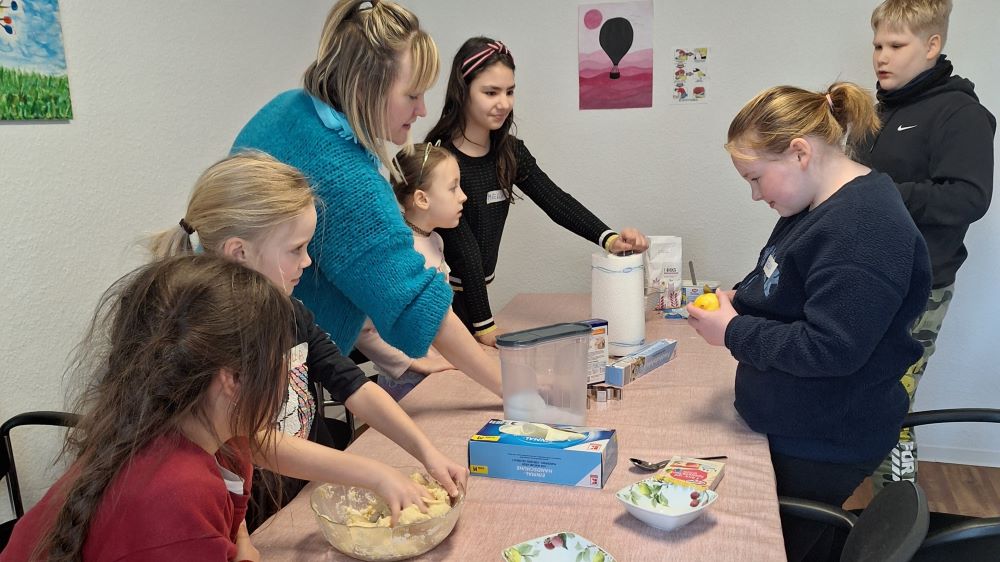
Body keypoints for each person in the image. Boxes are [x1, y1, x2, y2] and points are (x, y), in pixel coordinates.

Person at [1, 256, 436, 562]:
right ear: (230, 380)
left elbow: (257, 454)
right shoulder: (171, 494)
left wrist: (240, 542)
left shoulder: (200, 425)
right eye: (278, 361)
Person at [149, 151, 469, 529]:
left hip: (300, 497)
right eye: (296, 249)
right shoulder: (210, 339)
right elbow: (256, 441)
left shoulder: (290, 312)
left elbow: (351, 384)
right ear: (240, 253)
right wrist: (375, 474)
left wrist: (425, 451)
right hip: (247, 518)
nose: (306, 261)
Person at [687, 82, 932, 561]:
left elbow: (832, 347)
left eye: (756, 178)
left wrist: (734, 331)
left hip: (823, 440)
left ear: (799, 152)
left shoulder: (865, 227)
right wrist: (742, 298)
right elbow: (784, 280)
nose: (754, 195)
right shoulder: (816, 205)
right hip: (794, 421)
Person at [232, 0, 501, 389]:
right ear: (366, 86)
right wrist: (508, 389)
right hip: (260, 380)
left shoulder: (287, 108)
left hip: (230, 345)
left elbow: (352, 273)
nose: (423, 109)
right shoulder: (347, 177)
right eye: (412, 96)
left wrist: (401, 359)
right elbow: (416, 305)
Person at [424, 37, 650, 346]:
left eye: (510, 91)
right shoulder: (442, 161)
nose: (503, 103)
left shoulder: (509, 152)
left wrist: (609, 238)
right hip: (437, 301)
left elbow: (555, 201)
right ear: (463, 91)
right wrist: (485, 326)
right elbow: (466, 252)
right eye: (490, 92)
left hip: (474, 298)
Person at [857, 0, 995, 491]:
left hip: (919, 286)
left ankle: (898, 509)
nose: (881, 57)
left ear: (932, 45)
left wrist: (877, 188)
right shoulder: (879, 112)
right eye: (877, 45)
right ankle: (868, 502)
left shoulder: (962, 113)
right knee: (859, 394)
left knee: (893, 401)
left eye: (896, 45)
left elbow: (968, 198)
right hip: (866, 279)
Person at [355, 142, 487, 400]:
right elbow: (363, 329)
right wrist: (414, 364)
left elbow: (441, 315)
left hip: (439, 373)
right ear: (422, 199)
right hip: (407, 385)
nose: (463, 196)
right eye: (453, 188)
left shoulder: (435, 241)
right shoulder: (398, 253)